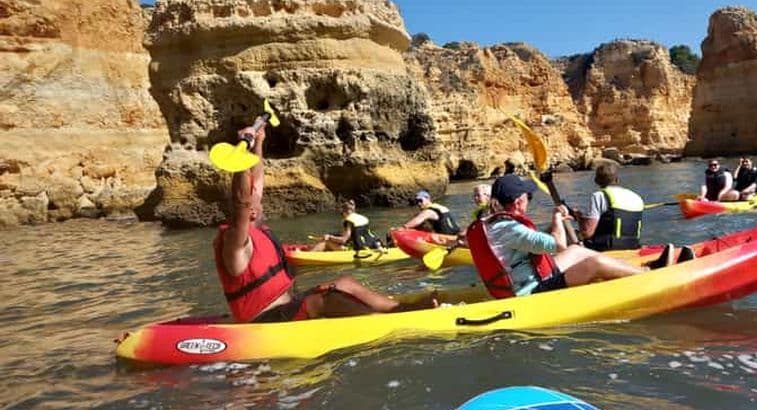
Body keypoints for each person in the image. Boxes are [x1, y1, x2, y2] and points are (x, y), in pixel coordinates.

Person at [213, 123, 435, 323]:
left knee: (344, 283)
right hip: (262, 318)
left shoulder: (255, 221)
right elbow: (241, 199)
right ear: (249, 210)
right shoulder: (235, 240)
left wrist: (258, 142)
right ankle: (380, 322)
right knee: (323, 301)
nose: (258, 194)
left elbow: (256, 181)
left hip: (287, 305)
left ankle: (402, 309)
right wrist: (240, 159)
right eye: (253, 197)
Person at [466, 175, 694, 299]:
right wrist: (557, 219)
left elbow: (539, 246)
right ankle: (648, 275)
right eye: (528, 197)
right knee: (594, 262)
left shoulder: (493, 223)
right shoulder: (509, 228)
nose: (528, 199)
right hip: (531, 292)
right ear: (518, 202)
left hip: (525, 278)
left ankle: (625, 269)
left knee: (577, 251)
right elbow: (557, 244)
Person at [573, 162, 644, 252]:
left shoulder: (598, 196)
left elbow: (587, 233)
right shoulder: (637, 197)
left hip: (605, 249)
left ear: (596, 181)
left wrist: (579, 218)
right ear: (617, 180)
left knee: (568, 230)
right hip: (633, 246)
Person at [311, 199, 385, 252]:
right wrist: (332, 235)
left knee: (325, 243)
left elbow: (344, 240)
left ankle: (308, 255)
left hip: (357, 249)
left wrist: (329, 238)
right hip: (372, 244)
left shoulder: (349, 222)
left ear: (344, 212)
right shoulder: (362, 218)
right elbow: (356, 233)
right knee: (331, 241)